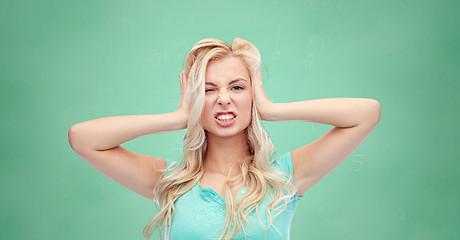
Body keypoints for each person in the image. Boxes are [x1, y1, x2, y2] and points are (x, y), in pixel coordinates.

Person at [68, 37, 381, 240]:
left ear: (252, 95)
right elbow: (82, 138)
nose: (223, 99)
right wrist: (178, 117)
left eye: (237, 87)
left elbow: (366, 113)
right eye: (208, 89)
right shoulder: (172, 182)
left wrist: (270, 108)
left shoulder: (285, 177)